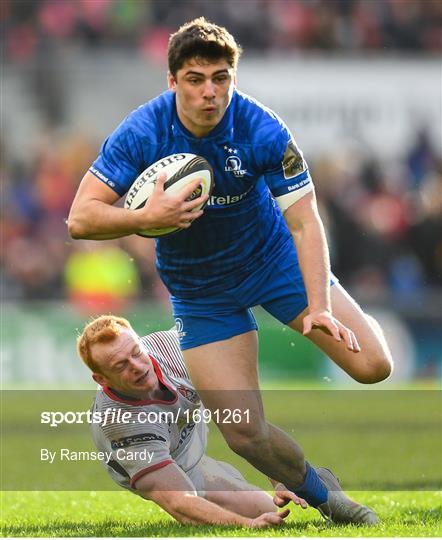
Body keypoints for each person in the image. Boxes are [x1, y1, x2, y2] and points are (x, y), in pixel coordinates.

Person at [68, 17, 390, 523]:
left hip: (273, 262)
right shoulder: (141, 131)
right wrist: (145, 218)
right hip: (202, 293)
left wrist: (321, 306)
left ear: (233, 80)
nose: (209, 92)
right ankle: (328, 499)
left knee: (375, 367)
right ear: (172, 81)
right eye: (195, 80)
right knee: (243, 432)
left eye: (220, 78)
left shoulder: (262, 128)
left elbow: (305, 222)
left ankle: (346, 311)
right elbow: (80, 218)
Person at [78, 315, 308, 528]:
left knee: (267, 508)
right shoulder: (121, 423)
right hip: (160, 460)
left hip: (186, 431)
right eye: (121, 366)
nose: (137, 367)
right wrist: (247, 525)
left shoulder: (175, 349)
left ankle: (214, 472)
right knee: (252, 514)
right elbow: (180, 503)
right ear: (102, 379)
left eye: (137, 353)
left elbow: (245, 426)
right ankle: (209, 476)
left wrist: (278, 478)